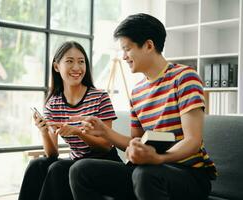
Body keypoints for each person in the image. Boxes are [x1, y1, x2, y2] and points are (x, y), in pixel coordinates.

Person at [69, 13, 217, 200]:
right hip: (150, 170)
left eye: (127, 49)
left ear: (148, 45)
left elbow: (192, 141)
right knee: (81, 170)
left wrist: (159, 159)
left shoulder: (185, 77)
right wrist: (105, 132)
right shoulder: (137, 91)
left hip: (189, 174)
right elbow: (136, 142)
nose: (123, 57)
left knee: (145, 173)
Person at [18, 41, 122, 200]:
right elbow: (52, 154)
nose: (77, 67)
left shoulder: (100, 97)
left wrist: (78, 132)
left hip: (104, 161)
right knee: (36, 165)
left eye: (81, 62)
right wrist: (44, 131)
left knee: (59, 168)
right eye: (69, 61)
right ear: (56, 67)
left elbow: (105, 146)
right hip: (75, 162)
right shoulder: (53, 104)